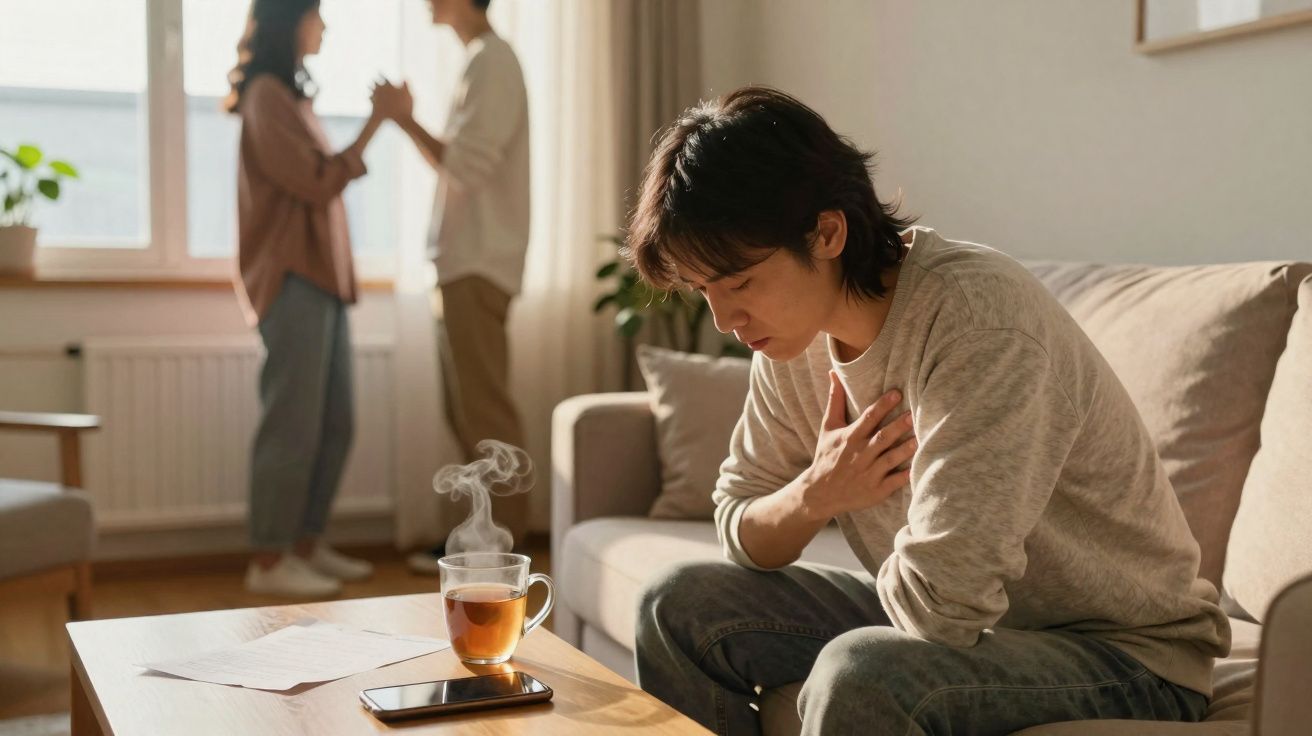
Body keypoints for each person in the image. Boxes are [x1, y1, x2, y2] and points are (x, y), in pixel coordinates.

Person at [624, 86, 1231, 735]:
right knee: (676, 606)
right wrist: (815, 494)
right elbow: (738, 521)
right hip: (966, 624)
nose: (724, 318)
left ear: (828, 232)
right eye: (702, 290)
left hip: (1125, 655)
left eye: (739, 282)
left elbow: (944, 605)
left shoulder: (978, 323)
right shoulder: (791, 338)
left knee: (861, 672)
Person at [228, 0, 402, 597]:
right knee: (292, 424)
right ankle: (270, 560)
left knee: (334, 421)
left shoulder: (290, 98)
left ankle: (304, 543)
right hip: (292, 278)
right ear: (290, 20)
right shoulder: (267, 97)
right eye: (316, 14)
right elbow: (316, 180)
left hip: (320, 279)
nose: (323, 26)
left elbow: (322, 178)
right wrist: (379, 121)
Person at [375, 0, 532, 573]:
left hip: (477, 263)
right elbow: (462, 165)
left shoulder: (494, 62)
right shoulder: (481, 61)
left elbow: (467, 167)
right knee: (467, 412)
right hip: (462, 262)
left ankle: (502, 555)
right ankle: (481, 546)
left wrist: (400, 117)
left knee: (484, 411)